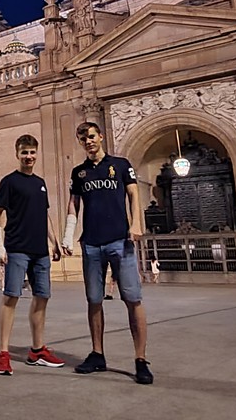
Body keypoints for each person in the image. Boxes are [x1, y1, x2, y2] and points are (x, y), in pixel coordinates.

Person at [62, 122, 152, 385]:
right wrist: (68, 235)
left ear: (100, 136)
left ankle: (141, 359)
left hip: (119, 241)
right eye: (83, 139)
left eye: (91, 136)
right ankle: (97, 354)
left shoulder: (121, 165)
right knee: (94, 299)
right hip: (91, 243)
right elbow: (73, 203)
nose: (88, 141)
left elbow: (133, 194)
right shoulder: (79, 172)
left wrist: (137, 224)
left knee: (132, 299)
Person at [0, 134, 65, 376]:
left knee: (42, 297)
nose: (29, 157)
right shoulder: (9, 182)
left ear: (36, 154)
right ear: (17, 154)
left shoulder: (40, 183)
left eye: (32, 152)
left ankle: (37, 350)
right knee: (11, 297)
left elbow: (44, 215)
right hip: (17, 248)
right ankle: (3, 353)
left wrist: (54, 242)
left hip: (40, 251)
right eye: (24, 152)